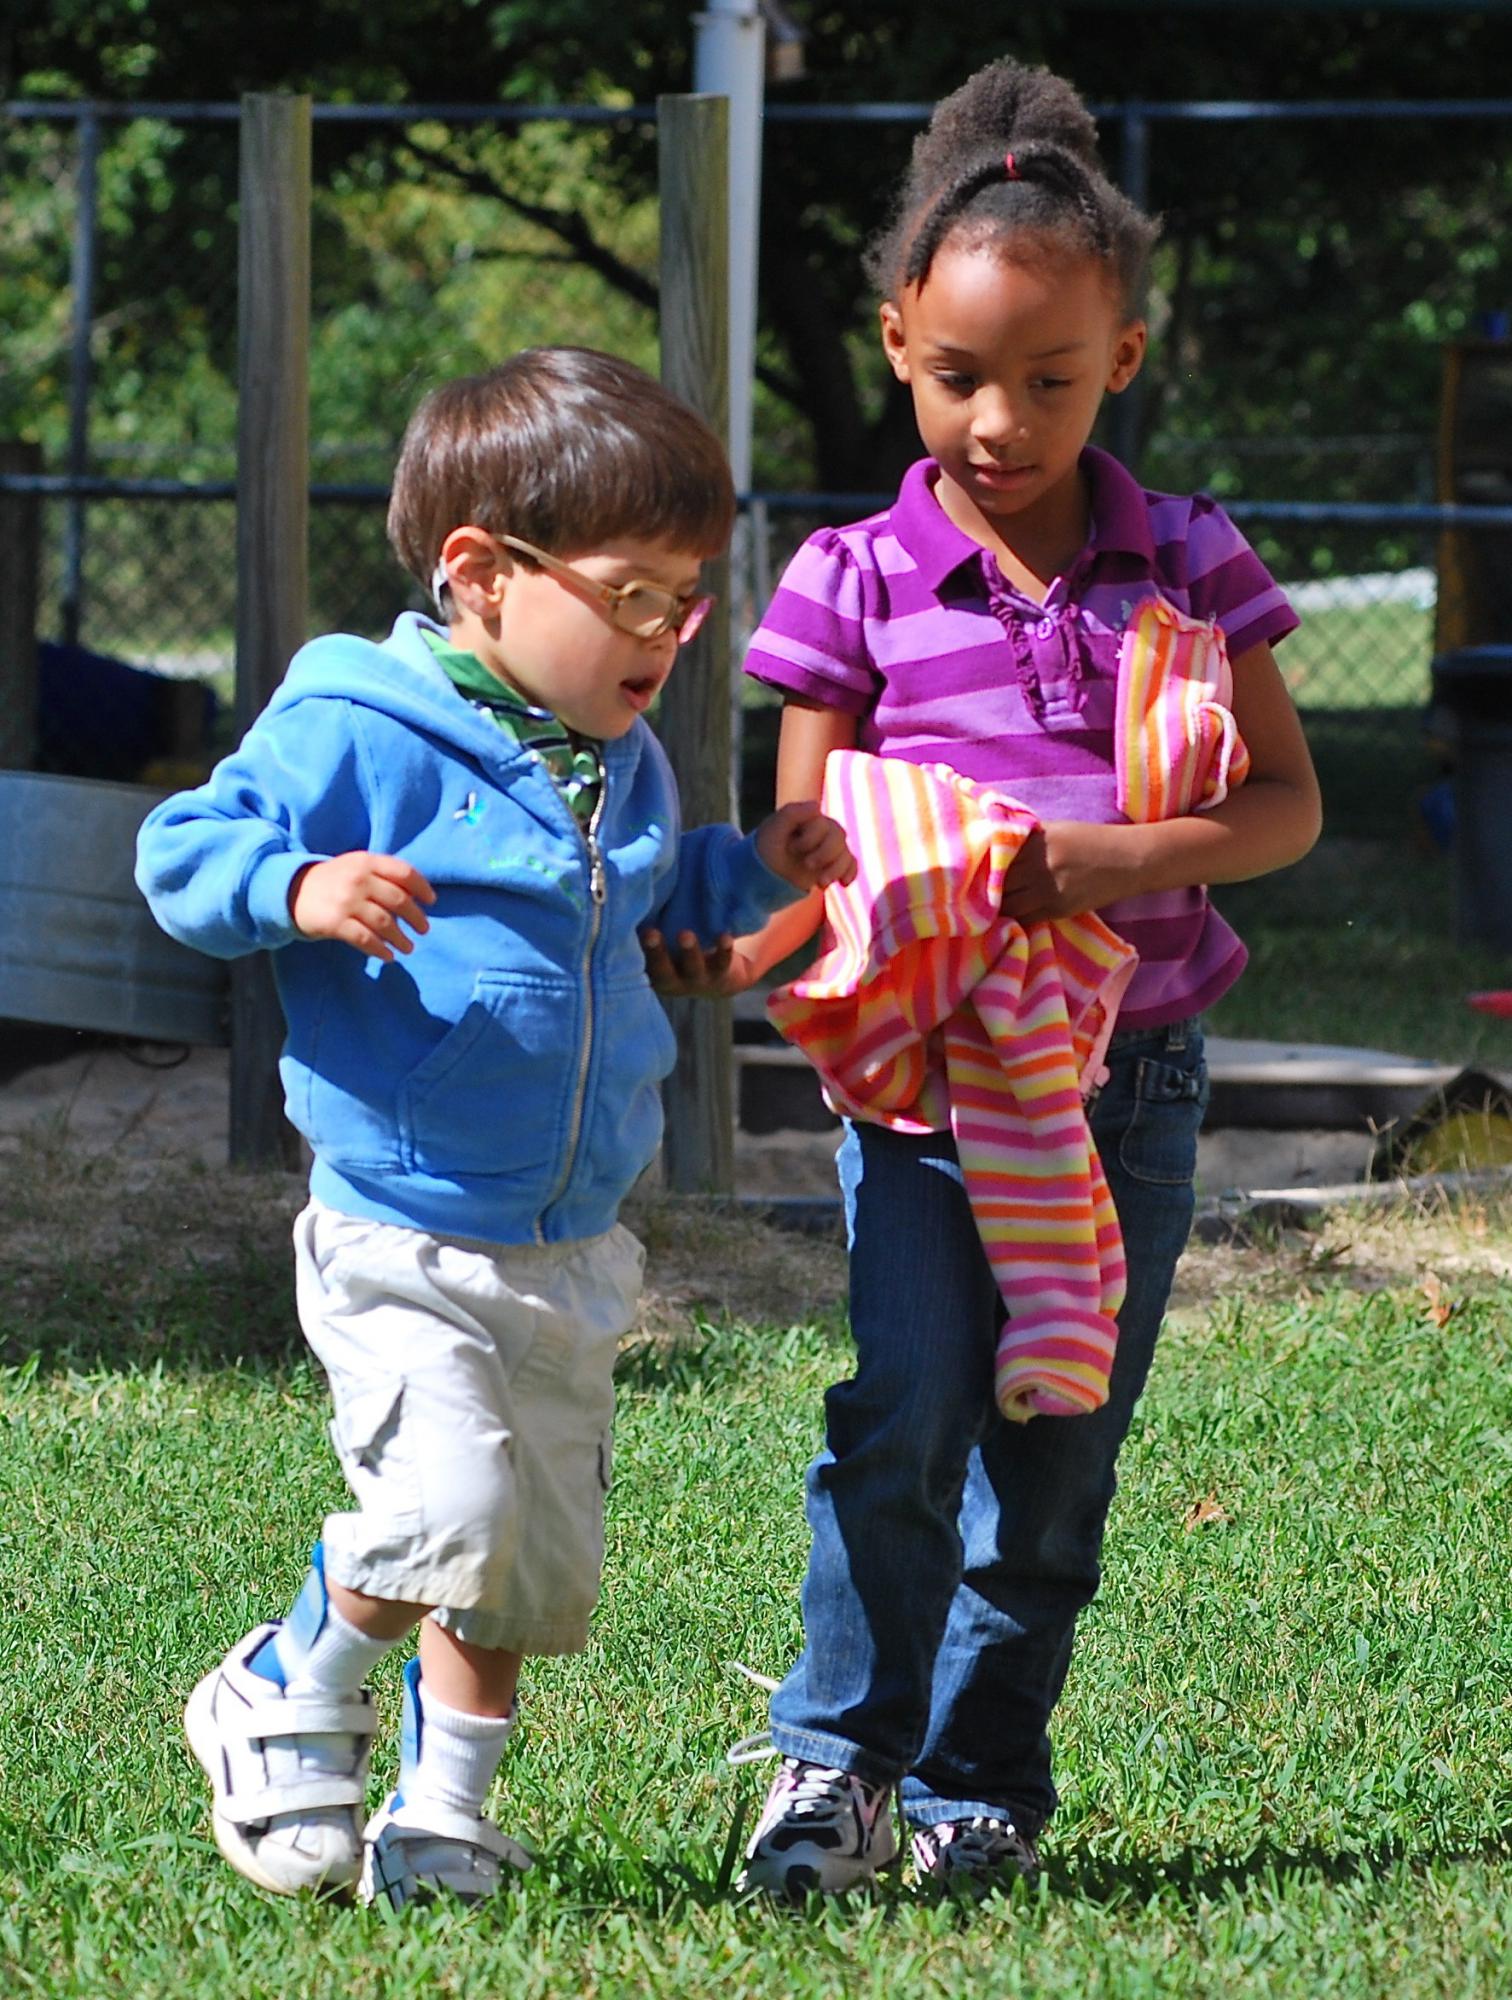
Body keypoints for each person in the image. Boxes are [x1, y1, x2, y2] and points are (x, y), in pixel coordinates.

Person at [645, 58, 1322, 1897]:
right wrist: (746, 944)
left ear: (1126, 353)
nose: (1001, 423)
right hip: (928, 1088)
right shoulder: (856, 581)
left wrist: (1108, 862)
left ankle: (977, 1786)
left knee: (1058, 1447)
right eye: (959, 379)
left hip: (1137, 1083)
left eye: (1049, 378)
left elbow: (1281, 808)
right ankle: (829, 1766)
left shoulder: (1186, 555)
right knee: (907, 1410)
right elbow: (810, 855)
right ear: (893, 346)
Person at [134, 346, 853, 1909]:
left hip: (574, 1232)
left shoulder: (621, 758)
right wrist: (301, 888)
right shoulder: (357, 720)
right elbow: (184, 851)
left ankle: (444, 1812)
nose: (672, 632)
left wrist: (761, 866)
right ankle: (278, 1683)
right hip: (404, 1218)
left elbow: (661, 894)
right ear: (478, 573)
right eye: (635, 594)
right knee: (441, 1507)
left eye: (690, 596)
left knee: (523, 1556)